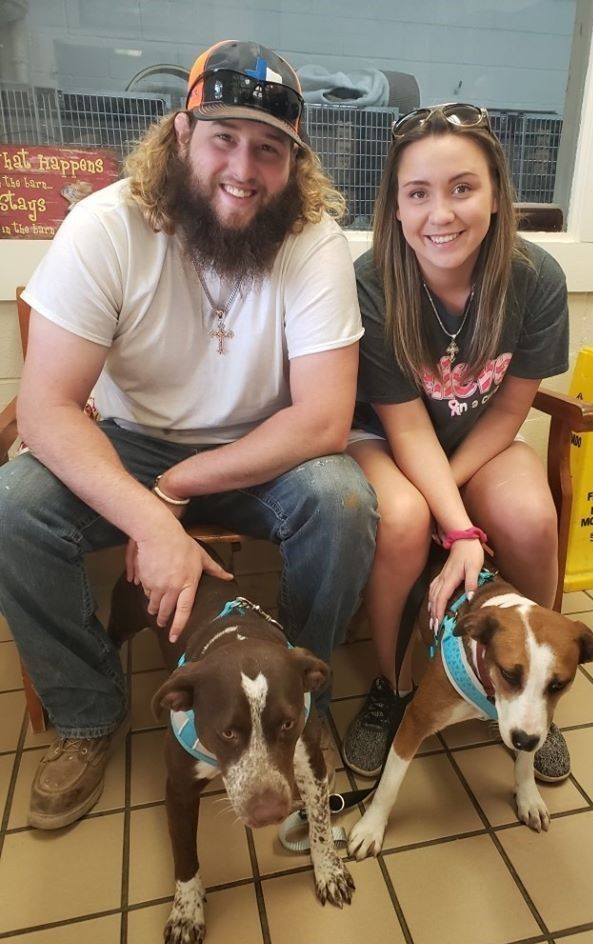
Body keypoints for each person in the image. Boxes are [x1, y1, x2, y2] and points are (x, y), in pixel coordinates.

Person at [0, 39, 377, 830]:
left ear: (294, 163)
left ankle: (291, 703)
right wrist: (146, 516)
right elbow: (47, 410)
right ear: (182, 134)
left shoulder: (313, 242)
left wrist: (175, 491)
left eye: (269, 148)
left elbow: (321, 420)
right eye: (224, 138)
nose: (244, 167)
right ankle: (87, 715)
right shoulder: (105, 224)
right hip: (129, 436)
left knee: (343, 501)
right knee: (12, 505)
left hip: (261, 448)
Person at [341, 103, 570, 781]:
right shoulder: (372, 283)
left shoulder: (536, 280)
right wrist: (458, 528)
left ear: (496, 194)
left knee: (531, 518)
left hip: (478, 439)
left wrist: (463, 518)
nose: (441, 214)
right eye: (419, 194)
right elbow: (405, 423)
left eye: (462, 188)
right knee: (406, 522)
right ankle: (394, 683)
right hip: (383, 437)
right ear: (397, 207)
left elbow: (508, 412)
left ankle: (532, 688)